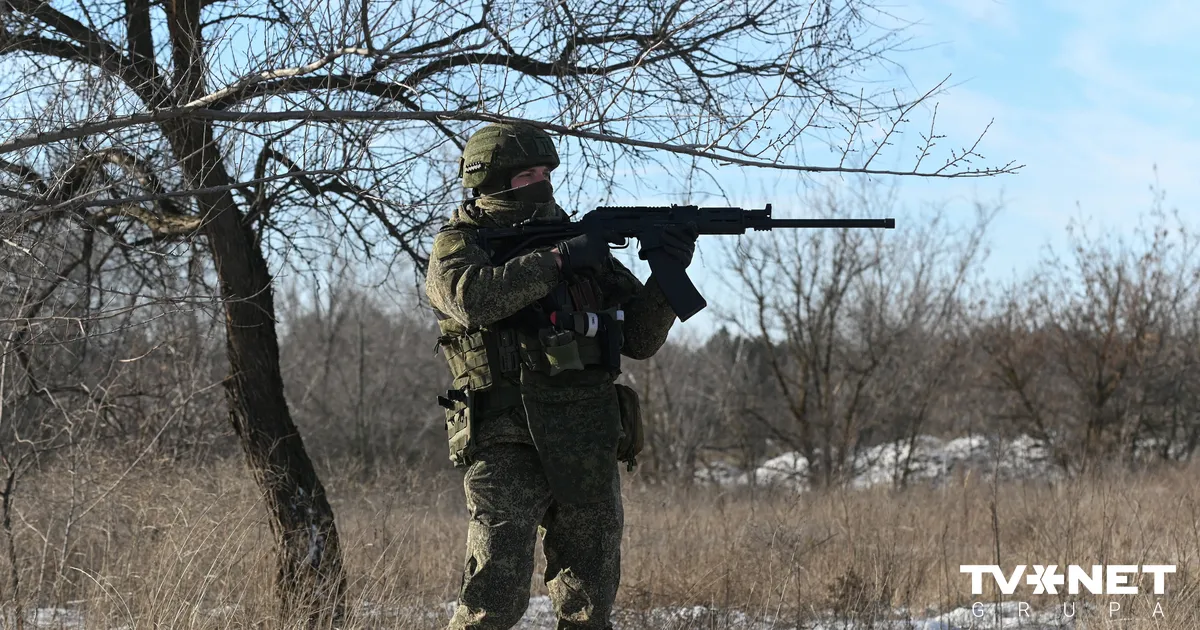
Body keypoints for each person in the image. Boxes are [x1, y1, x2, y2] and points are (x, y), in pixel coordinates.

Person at [425, 122, 697, 629]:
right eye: (527, 175)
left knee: (589, 603)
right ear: (489, 181)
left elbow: (639, 339)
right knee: (492, 601)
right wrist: (557, 261)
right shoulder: (460, 244)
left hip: (586, 436)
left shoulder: (581, 244)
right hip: (507, 436)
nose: (542, 183)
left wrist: (668, 274)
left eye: (546, 172)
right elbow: (472, 299)